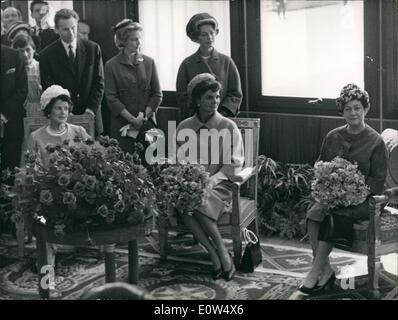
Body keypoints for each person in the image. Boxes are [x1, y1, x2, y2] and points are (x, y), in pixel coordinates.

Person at [298, 83, 388, 295]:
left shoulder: (376, 141)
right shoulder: (332, 136)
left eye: (357, 107)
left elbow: (377, 182)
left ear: (365, 109)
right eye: (348, 109)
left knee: (333, 214)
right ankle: (326, 269)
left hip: (366, 201)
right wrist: (326, 191)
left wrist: (352, 195)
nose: (353, 112)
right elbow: (320, 167)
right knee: (313, 214)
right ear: (342, 112)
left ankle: (314, 272)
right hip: (333, 196)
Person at [175, 73, 244, 281]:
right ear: (197, 100)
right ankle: (217, 254)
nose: (215, 101)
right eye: (208, 97)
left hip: (222, 184)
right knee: (185, 202)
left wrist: (212, 180)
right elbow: (179, 162)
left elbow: (234, 163)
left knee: (195, 201)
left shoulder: (228, 127)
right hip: (194, 185)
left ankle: (220, 252)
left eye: (216, 96)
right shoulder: (184, 127)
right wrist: (190, 181)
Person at [39, 8, 104, 136]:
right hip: (63, 118)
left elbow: (99, 82)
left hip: (90, 114)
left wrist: (91, 109)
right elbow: (49, 88)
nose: (71, 33)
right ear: (56, 30)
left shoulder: (93, 48)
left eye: (73, 28)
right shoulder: (46, 55)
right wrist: (66, 110)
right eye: (66, 29)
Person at [105, 19, 162, 154]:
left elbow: (157, 94)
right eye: (134, 39)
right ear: (123, 41)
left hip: (147, 124)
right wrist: (132, 120)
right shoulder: (111, 65)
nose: (139, 43)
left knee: (151, 163)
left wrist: (142, 118)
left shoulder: (149, 62)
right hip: (122, 126)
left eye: (139, 39)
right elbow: (112, 99)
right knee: (125, 165)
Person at [176, 13, 242, 119]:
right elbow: (182, 96)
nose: (209, 38)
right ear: (197, 38)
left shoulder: (227, 62)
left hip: (221, 119)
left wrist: (221, 114)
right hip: (196, 120)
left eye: (212, 33)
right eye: (204, 34)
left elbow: (235, 94)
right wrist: (197, 113)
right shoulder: (187, 64)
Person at [26, 85, 90, 168]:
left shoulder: (79, 131)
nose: (63, 112)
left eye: (66, 108)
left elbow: (91, 158)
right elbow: (30, 167)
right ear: (49, 110)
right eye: (58, 108)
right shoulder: (35, 137)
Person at [0, 45, 28, 177]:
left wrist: (4, 114)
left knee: (10, 171)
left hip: (11, 122)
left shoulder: (14, 56)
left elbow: (22, 88)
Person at [12, 34, 42, 119]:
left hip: (38, 111)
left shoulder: (41, 68)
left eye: (28, 50)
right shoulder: (12, 70)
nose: (25, 54)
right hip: (17, 112)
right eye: (21, 51)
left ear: (34, 49)